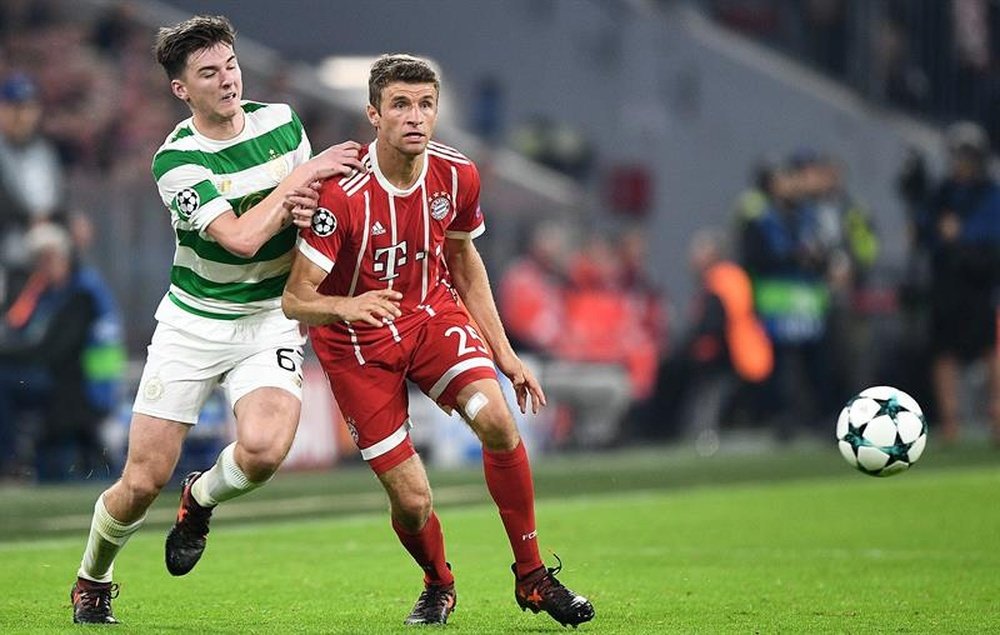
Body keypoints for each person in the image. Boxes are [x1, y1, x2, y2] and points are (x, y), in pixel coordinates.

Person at [68, 15, 363, 624]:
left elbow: (305, 216)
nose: (226, 80)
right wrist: (300, 184)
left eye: (229, 65)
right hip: (193, 323)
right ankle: (93, 577)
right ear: (181, 89)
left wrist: (312, 209)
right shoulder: (176, 159)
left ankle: (199, 498)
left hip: (268, 319)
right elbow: (242, 238)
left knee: (263, 450)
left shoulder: (282, 124)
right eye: (208, 72)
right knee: (141, 480)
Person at [282, 54, 595, 628]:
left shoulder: (457, 173)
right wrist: (349, 305)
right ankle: (438, 582)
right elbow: (296, 299)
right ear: (373, 114)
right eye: (400, 104)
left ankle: (531, 577)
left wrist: (505, 355)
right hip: (357, 345)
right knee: (413, 499)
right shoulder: (341, 194)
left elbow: (464, 260)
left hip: (430, 316)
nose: (415, 117)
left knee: (498, 422)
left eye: (425, 104)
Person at [0, 222, 117, 480]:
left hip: (85, 385)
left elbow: (51, 349)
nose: (40, 267)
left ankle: (8, 463)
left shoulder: (81, 293)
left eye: (44, 259)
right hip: (62, 378)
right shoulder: (50, 291)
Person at [919, 121, 1000, 444]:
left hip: (980, 282)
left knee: (990, 349)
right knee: (944, 352)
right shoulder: (942, 193)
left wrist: (960, 235)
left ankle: (996, 415)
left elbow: (989, 236)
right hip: (946, 284)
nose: (961, 163)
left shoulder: (990, 193)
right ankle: (950, 422)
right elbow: (926, 232)